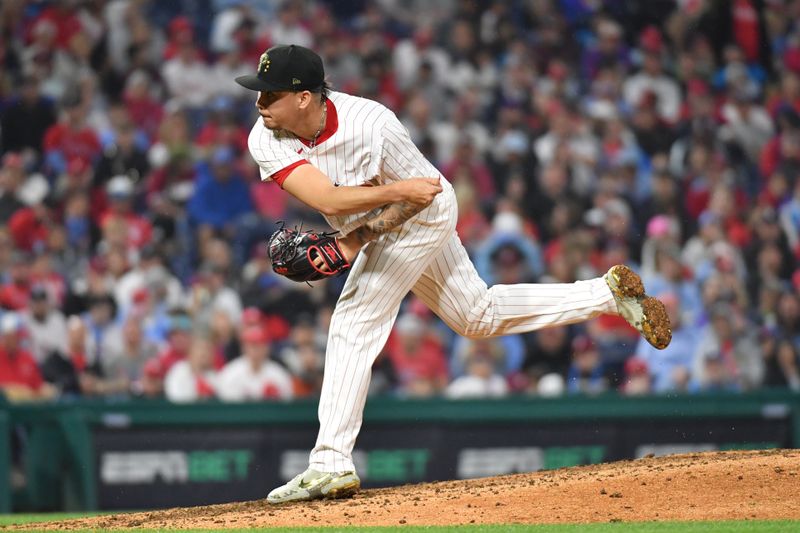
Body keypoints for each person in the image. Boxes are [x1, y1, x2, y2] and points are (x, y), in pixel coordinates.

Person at [235, 44, 671, 503]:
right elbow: (326, 199)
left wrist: (371, 221)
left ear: (304, 97)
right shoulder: (264, 137)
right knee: (475, 316)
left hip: (424, 213)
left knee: (353, 319)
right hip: (386, 214)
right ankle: (607, 295)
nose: (259, 103)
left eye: (270, 94)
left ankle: (330, 463)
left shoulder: (373, 125)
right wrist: (356, 237)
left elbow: (418, 199)